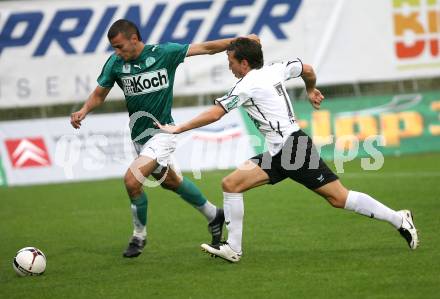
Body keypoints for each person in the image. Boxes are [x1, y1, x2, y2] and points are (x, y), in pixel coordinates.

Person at [156, 37, 419, 263]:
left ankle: (399, 218)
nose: (230, 67)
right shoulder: (275, 69)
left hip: (294, 150)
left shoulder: (246, 85)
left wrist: (178, 129)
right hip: (280, 151)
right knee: (231, 184)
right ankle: (233, 248)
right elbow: (307, 68)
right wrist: (311, 88)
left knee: (339, 198)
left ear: (244, 63)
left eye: (232, 62)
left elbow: (216, 113)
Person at [70, 19, 259, 258]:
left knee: (132, 180)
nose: (116, 52)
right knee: (170, 182)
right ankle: (215, 215)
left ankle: (139, 236)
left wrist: (241, 42)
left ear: (134, 39)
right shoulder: (116, 63)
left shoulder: (164, 53)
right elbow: (99, 94)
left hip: (163, 133)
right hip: (139, 137)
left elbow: (206, 48)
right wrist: (84, 110)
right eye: (113, 48)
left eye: (119, 46)